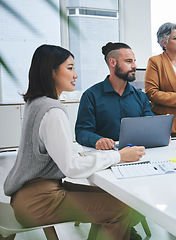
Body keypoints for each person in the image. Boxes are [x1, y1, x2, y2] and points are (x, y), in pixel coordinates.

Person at [3, 44, 145, 240]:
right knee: (121, 209)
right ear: (51, 72)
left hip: (24, 196)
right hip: (41, 201)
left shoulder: (35, 103)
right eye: (69, 68)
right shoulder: (53, 110)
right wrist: (118, 156)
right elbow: (71, 168)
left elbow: (48, 150)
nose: (75, 75)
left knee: (117, 202)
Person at [76, 42, 154, 150]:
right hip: (105, 157)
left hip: (137, 154)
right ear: (112, 62)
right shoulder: (91, 96)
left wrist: (159, 135)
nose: (134, 66)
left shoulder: (141, 97)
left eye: (134, 61)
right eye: (128, 61)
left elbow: (150, 125)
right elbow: (81, 132)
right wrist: (97, 140)